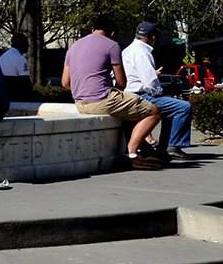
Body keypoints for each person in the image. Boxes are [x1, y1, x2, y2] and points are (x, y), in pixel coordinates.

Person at [62, 14, 164, 169]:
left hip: (80, 102)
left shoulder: (74, 46)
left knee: (129, 109)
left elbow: (65, 83)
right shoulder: (112, 45)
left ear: (92, 29)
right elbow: (122, 82)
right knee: (154, 111)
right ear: (112, 33)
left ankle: (140, 149)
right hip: (103, 100)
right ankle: (132, 154)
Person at [122, 22, 192, 160]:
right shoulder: (143, 52)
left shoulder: (127, 50)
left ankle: (165, 147)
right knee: (183, 107)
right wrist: (159, 91)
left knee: (171, 106)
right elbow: (149, 83)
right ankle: (173, 146)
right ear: (153, 37)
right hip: (142, 94)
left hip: (129, 93)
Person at [0, 32, 34, 101]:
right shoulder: (20, 58)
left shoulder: (2, 57)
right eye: (26, 43)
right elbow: (26, 82)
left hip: (2, 94)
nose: (28, 45)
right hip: (15, 95)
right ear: (21, 44)